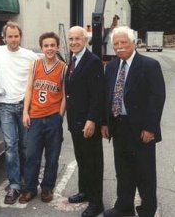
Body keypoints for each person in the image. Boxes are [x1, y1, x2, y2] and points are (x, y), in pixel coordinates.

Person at [101, 26, 166, 217]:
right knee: (123, 171)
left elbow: (157, 97)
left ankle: (147, 211)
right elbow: (108, 96)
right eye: (116, 44)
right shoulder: (112, 66)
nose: (120, 47)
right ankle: (124, 207)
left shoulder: (149, 65)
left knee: (145, 173)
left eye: (123, 43)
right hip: (118, 126)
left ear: (133, 43)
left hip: (141, 129)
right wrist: (105, 122)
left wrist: (150, 127)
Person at [0, 21, 37, 204]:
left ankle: (28, 182)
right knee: (10, 147)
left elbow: (42, 74)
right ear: (4, 37)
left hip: (25, 107)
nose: (13, 40)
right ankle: (14, 186)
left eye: (16, 36)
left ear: (21, 37)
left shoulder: (30, 56)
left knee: (26, 147)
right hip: (5, 106)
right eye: (10, 36)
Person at [19, 32, 67, 204]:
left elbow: (64, 95)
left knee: (52, 157)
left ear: (57, 47)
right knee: (32, 155)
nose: (49, 49)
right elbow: (30, 89)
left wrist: (59, 116)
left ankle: (47, 188)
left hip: (53, 117)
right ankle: (30, 188)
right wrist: (26, 111)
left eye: (52, 45)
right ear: (42, 48)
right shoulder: (35, 65)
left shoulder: (63, 68)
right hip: (36, 117)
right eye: (46, 46)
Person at [65, 26, 105, 217]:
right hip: (75, 122)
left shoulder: (93, 61)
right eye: (71, 39)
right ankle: (85, 191)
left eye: (77, 39)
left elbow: (98, 95)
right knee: (82, 159)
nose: (73, 42)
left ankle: (97, 203)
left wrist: (92, 120)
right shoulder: (72, 60)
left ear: (85, 40)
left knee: (93, 162)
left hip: (88, 123)